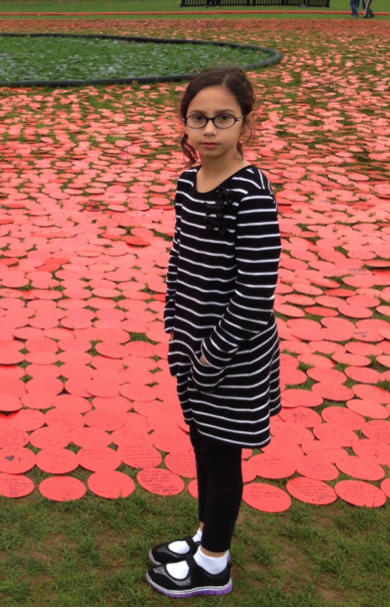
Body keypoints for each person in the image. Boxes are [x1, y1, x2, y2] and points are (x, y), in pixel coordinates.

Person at [147, 67, 282, 599]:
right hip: (193, 348)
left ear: (244, 123)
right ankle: (206, 535)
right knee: (204, 447)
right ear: (185, 123)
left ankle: (214, 564)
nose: (209, 130)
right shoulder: (188, 182)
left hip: (234, 356)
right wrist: (176, 332)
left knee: (223, 458)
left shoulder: (251, 193)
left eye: (223, 118)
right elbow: (181, 263)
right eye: (198, 118)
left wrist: (210, 357)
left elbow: (254, 293)